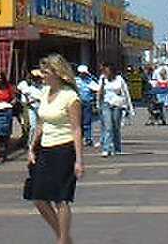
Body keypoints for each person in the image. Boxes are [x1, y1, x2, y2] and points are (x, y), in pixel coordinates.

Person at [24, 54, 83, 244]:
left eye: (45, 72)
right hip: (45, 149)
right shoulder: (44, 92)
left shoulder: (70, 97)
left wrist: (79, 160)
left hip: (64, 150)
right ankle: (64, 237)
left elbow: (76, 129)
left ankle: (62, 240)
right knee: (38, 197)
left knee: (61, 199)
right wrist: (32, 147)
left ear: (57, 73)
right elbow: (41, 123)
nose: (42, 76)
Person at [97, 64, 131, 157]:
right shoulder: (103, 79)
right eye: (105, 72)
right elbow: (99, 92)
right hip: (106, 104)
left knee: (116, 128)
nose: (106, 73)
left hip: (117, 104)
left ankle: (117, 148)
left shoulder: (119, 79)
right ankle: (106, 148)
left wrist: (128, 107)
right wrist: (98, 104)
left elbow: (126, 92)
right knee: (108, 127)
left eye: (108, 72)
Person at [17, 69, 43, 150]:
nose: (36, 80)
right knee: (33, 127)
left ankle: (41, 143)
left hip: (42, 109)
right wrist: (28, 102)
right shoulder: (29, 88)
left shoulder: (44, 87)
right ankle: (31, 143)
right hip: (32, 109)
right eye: (34, 78)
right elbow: (23, 94)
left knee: (43, 127)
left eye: (37, 78)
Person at [73, 65, 97, 147]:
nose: (83, 74)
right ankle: (78, 139)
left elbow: (97, 88)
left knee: (87, 121)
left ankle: (88, 139)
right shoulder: (75, 80)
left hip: (87, 102)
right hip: (77, 103)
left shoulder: (90, 81)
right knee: (77, 122)